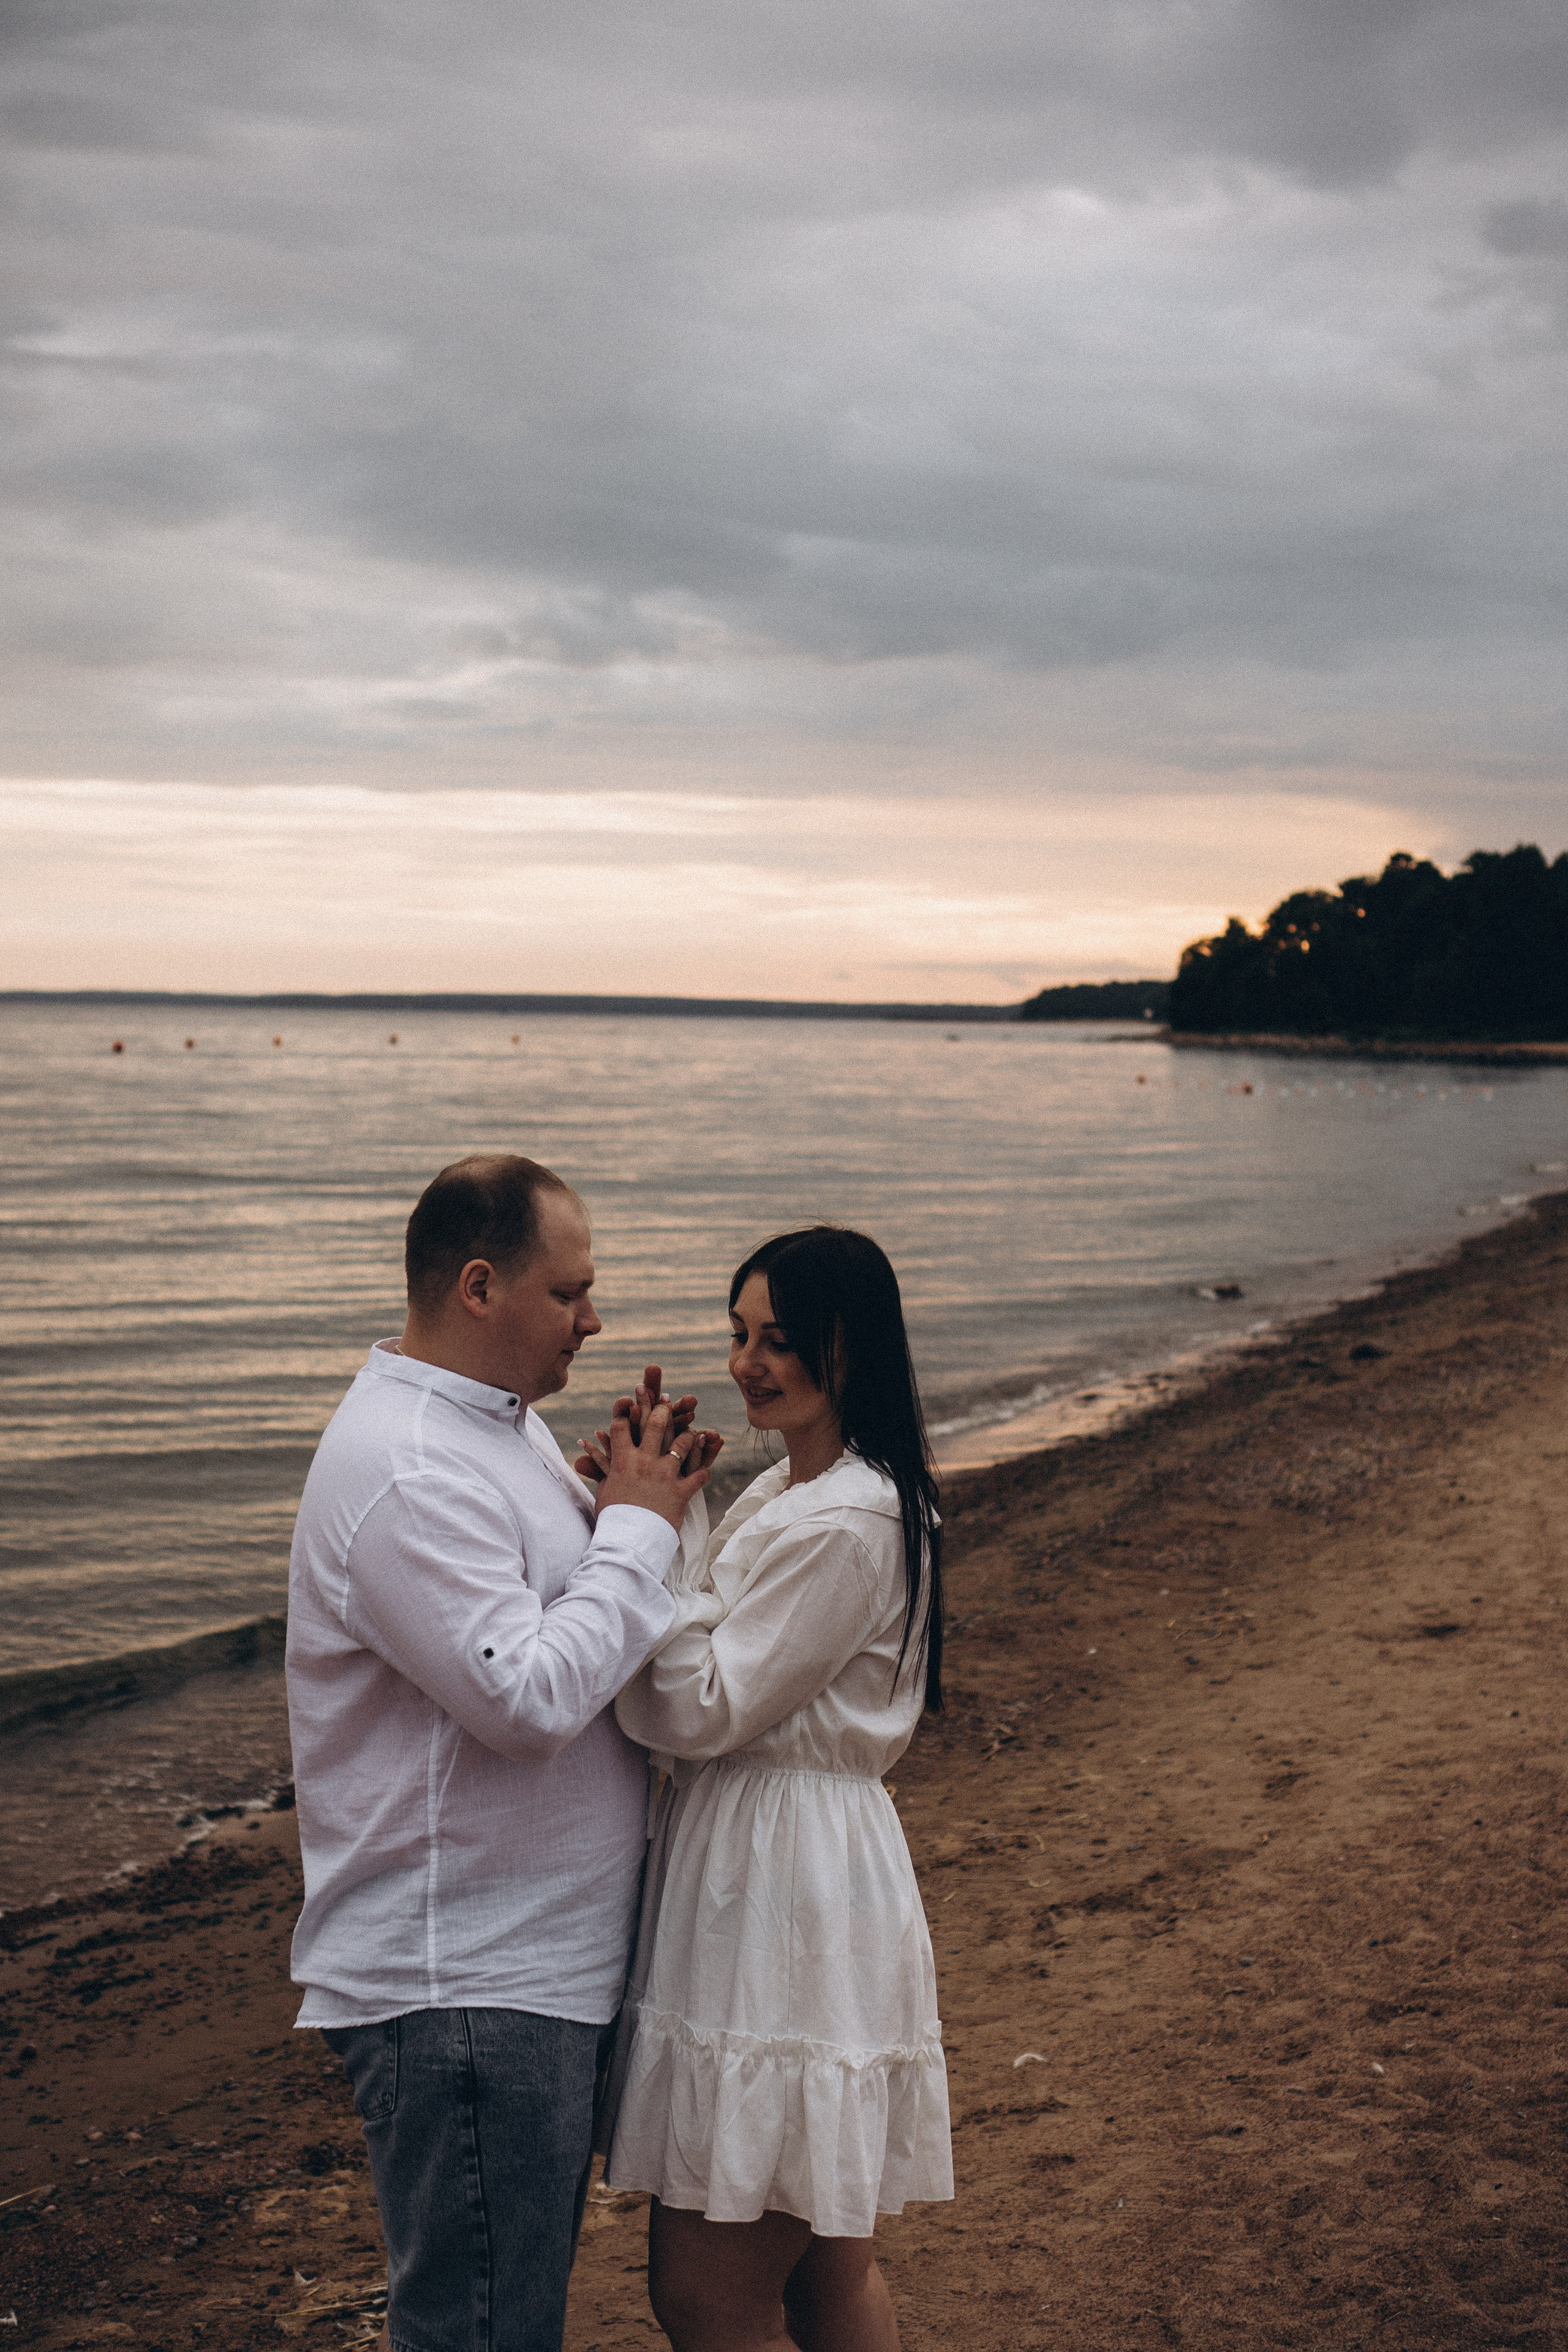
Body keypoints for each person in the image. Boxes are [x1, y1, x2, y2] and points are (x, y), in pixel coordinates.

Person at [286, 1153, 720, 2352]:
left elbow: (551, 1615)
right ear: (479, 1287)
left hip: (524, 1972)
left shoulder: (497, 1428)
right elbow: (524, 1698)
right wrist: (635, 1526)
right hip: (467, 1983)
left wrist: (622, 1498)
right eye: (569, 1293)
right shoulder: (409, 1464)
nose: (596, 1319)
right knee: (481, 2332)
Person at [582, 1225, 954, 2352]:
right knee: (824, 2277)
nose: (749, 1362)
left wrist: (648, 1526)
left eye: (779, 1340)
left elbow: (696, 1706)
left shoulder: (843, 1520)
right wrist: (668, 1505)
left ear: (850, 1347)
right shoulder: (817, 1490)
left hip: (781, 1878)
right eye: (739, 1334)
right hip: (796, 1858)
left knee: (708, 2293)